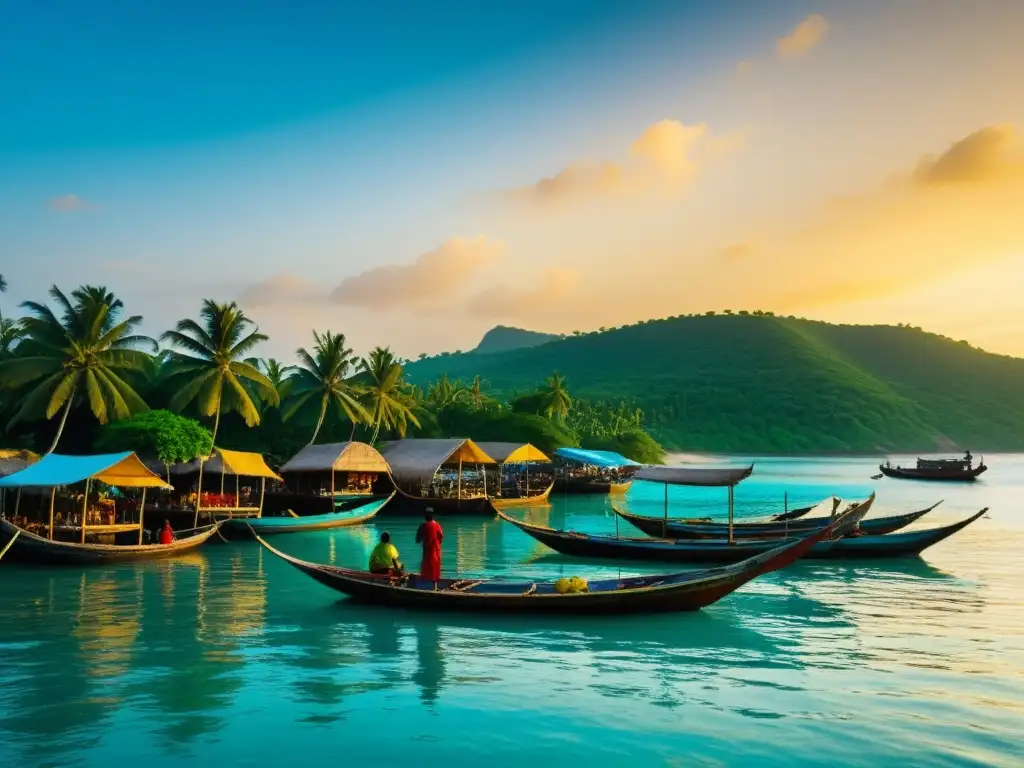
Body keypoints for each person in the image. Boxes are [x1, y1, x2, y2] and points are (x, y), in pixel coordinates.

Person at [415, 509, 444, 588]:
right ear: (433, 516)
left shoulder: (423, 526)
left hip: (428, 553)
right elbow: (441, 537)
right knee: (435, 571)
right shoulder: (437, 525)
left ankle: (426, 587)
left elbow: (417, 540)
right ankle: (435, 586)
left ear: (425, 516)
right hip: (436, 552)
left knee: (427, 571)